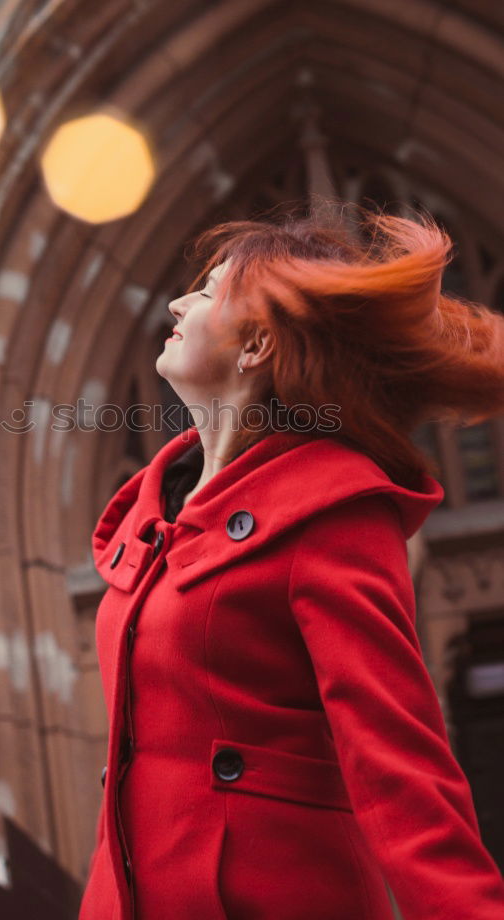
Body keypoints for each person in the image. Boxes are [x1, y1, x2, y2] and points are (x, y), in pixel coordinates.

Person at [78, 207, 504, 920]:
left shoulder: (329, 515)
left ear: (257, 346)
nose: (179, 302)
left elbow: (398, 765)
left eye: (208, 292)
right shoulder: (157, 520)